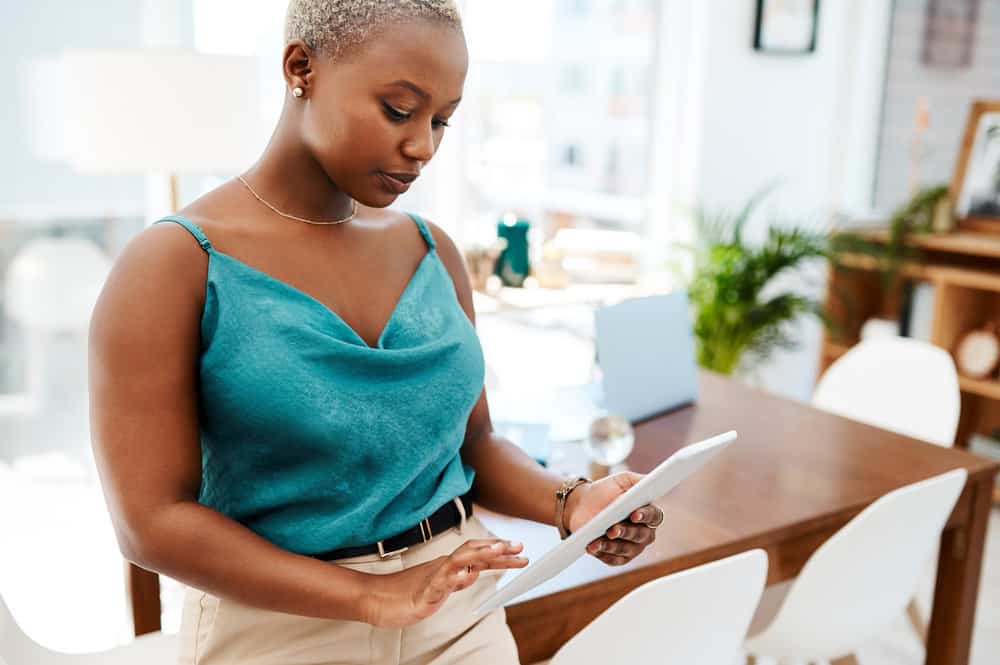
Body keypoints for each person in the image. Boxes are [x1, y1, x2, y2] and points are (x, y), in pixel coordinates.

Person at [88, 1, 664, 663]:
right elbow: (149, 522)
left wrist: (572, 500)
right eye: (398, 109)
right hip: (280, 626)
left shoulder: (432, 250)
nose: (422, 146)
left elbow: (471, 444)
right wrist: (369, 594)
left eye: (442, 119)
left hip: (458, 607)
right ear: (301, 67)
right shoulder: (173, 265)